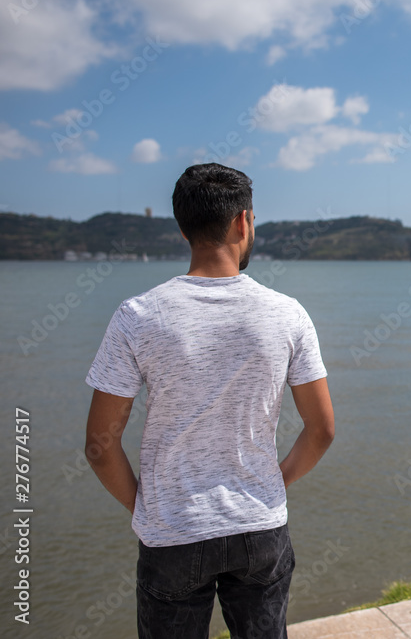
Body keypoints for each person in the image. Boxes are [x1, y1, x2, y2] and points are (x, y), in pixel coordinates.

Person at [84, 163, 336, 639]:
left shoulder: (137, 315)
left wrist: (146, 507)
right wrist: (271, 482)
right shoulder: (288, 315)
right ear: (244, 222)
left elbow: (99, 446)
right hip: (259, 528)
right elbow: (322, 430)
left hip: (171, 533)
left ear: (183, 229)